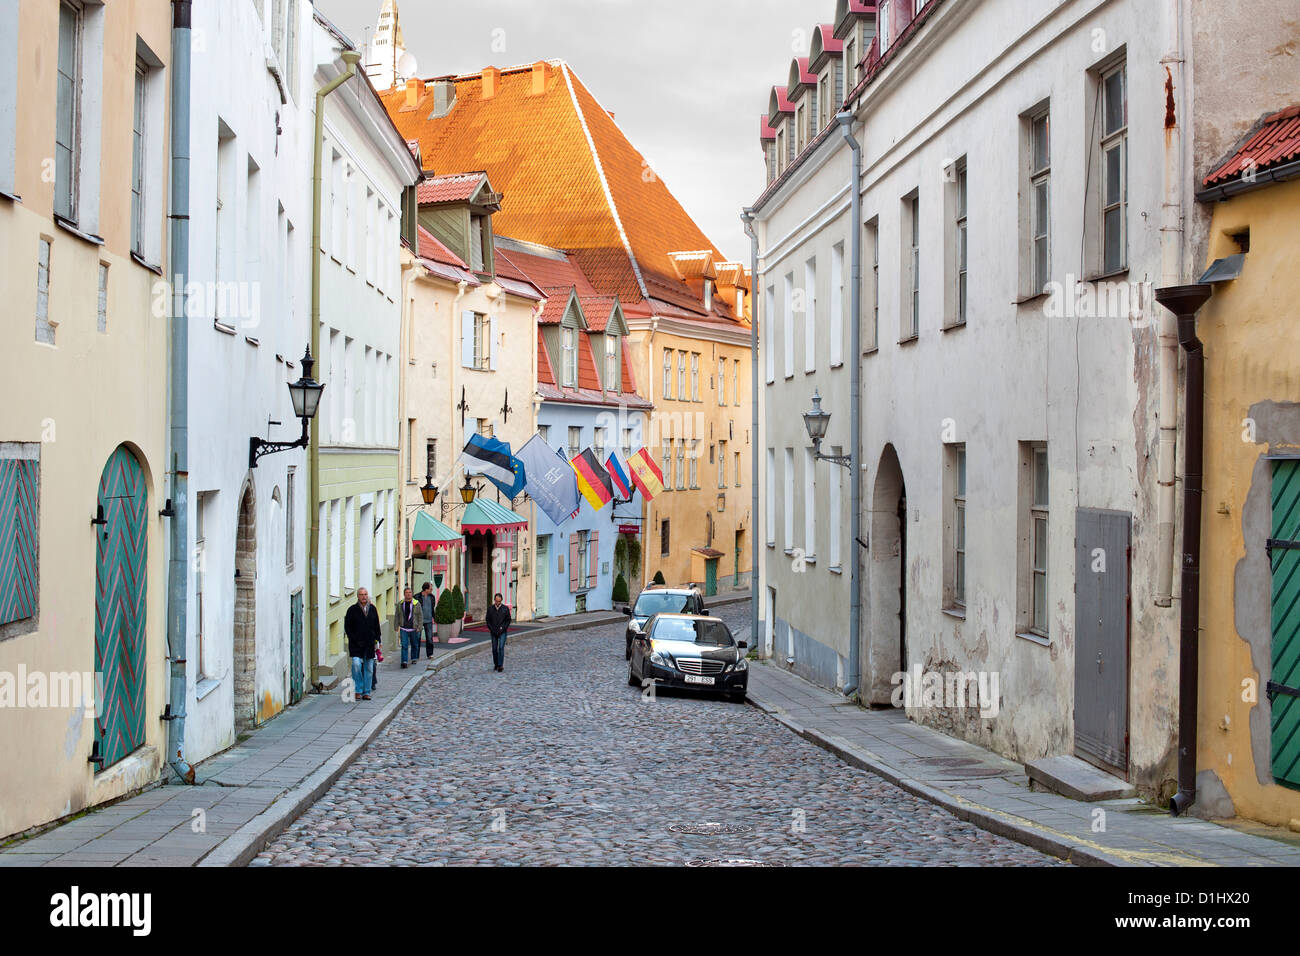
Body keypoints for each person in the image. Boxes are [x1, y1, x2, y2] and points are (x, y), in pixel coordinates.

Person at [344, 587, 381, 701]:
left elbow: (376, 626)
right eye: (361, 594)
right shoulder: (352, 610)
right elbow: (347, 627)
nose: (364, 597)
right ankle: (358, 690)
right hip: (356, 644)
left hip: (369, 644)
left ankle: (366, 691)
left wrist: (378, 641)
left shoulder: (373, 609)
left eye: (365, 594)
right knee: (356, 665)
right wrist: (353, 638)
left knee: (369, 668)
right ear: (358, 596)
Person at [396, 586, 423, 668]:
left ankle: (414, 658)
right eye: (407, 593)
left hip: (414, 628)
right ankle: (404, 661)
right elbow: (397, 615)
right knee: (404, 645)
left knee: (414, 644)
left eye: (410, 593)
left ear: (412, 594)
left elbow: (420, 616)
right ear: (404, 594)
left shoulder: (416, 603)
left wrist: (419, 627)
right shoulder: (400, 604)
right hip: (404, 628)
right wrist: (396, 626)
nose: (408, 594)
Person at [485, 592, 511, 673]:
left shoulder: (505, 609)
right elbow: (487, 620)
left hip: (502, 631)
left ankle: (500, 665)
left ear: (501, 601)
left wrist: (503, 628)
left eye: (499, 601)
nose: (497, 603)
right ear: (494, 600)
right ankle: (496, 664)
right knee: (494, 649)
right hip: (493, 631)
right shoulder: (490, 609)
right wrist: (491, 628)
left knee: (501, 648)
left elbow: (508, 620)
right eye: (496, 601)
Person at [418, 582, 437, 653]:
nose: (432, 590)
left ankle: (430, 654)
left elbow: (432, 608)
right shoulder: (417, 597)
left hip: (429, 620)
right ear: (426, 589)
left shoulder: (432, 597)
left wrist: (434, 617)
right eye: (430, 589)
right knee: (417, 638)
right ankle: (416, 655)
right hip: (419, 621)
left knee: (429, 638)